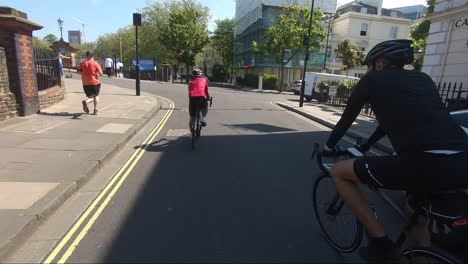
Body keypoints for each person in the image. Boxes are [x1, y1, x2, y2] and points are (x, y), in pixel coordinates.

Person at [322, 39, 468, 262]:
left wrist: (328, 147)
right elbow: (389, 122)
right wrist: (368, 145)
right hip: (462, 160)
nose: (368, 69)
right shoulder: (423, 79)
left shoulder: (373, 79)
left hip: (424, 162)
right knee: (413, 213)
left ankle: (380, 243)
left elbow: (347, 118)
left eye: (369, 64)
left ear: (379, 64)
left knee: (339, 172)